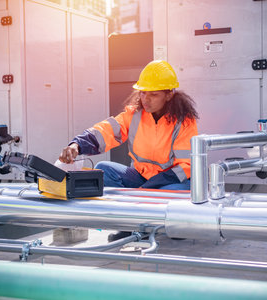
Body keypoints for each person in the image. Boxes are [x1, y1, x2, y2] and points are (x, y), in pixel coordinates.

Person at [59, 60, 198, 240]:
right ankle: (129, 224)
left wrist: (146, 189)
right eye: (143, 93)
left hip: (170, 181)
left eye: (153, 95)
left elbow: (185, 167)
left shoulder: (184, 122)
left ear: (169, 95)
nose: (145, 100)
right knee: (104, 170)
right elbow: (106, 131)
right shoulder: (134, 115)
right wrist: (76, 145)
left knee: (177, 192)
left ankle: (163, 224)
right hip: (141, 177)